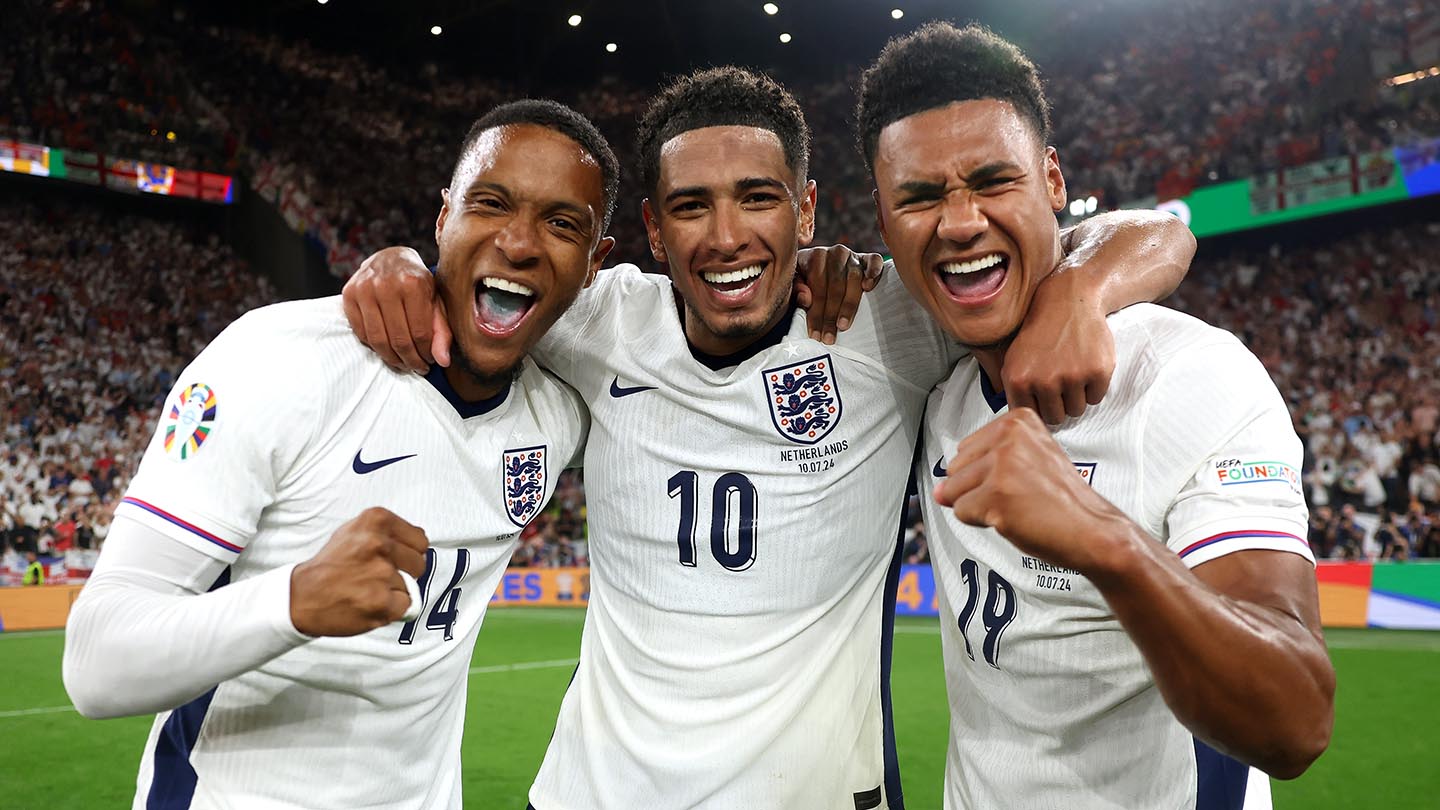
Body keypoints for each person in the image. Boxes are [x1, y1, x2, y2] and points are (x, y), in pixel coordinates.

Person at [345, 67, 1195, 809]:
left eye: (758, 198)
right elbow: (484, 268)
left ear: (807, 209)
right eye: (691, 207)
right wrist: (402, 263)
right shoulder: (596, 321)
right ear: (650, 230)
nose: (725, 238)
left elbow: (1163, 228)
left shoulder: (889, 323)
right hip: (590, 792)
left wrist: (1079, 291)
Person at [61, 99, 617, 810]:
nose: (519, 242)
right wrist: (292, 601)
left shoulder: (559, 409)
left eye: (562, 223)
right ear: (443, 217)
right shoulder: (278, 361)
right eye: (490, 203)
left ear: (597, 261)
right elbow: (95, 664)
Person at [857, 22, 1334, 809]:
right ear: (882, 219)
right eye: (920, 196)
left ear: (1052, 180)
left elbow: (1296, 721)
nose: (961, 221)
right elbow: (1158, 232)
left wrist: (1102, 538)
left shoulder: (1190, 375)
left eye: (992, 180)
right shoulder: (928, 371)